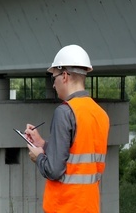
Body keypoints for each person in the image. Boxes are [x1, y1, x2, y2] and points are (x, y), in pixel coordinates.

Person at [25, 44, 110, 213]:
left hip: (64, 206)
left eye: (53, 78)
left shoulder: (65, 112)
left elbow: (54, 170)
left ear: (64, 76)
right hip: (89, 206)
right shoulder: (101, 114)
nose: (54, 85)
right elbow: (76, 158)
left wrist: (39, 157)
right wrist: (43, 143)